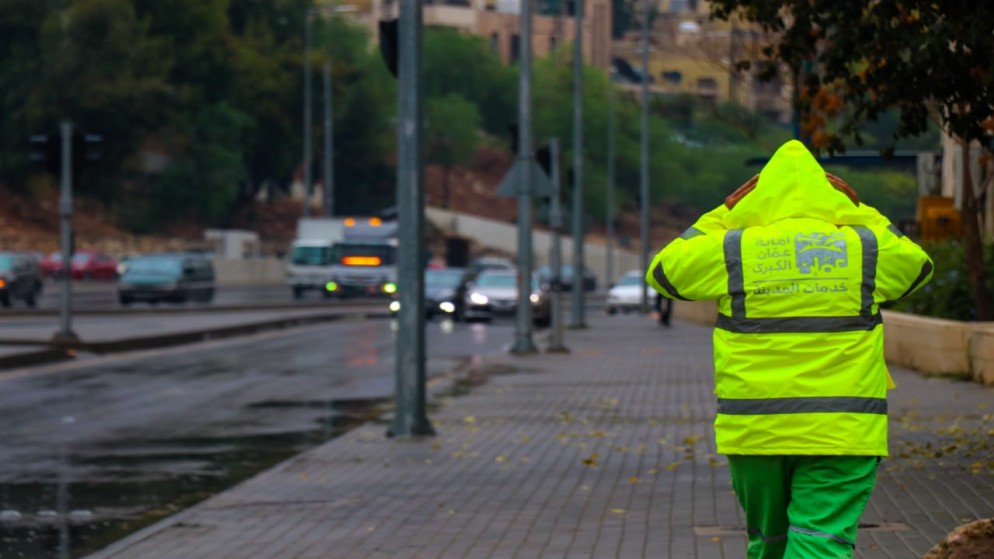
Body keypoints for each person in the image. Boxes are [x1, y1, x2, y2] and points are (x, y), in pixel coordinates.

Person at [645, 140, 933, 559]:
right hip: (843, 431)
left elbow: (664, 271)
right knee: (819, 543)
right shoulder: (863, 246)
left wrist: (723, 214)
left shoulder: (734, 247)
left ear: (759, 197)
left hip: (756, 432)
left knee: (770, 546)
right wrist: (859, 211)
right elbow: (918, 266)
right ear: (830, 195)